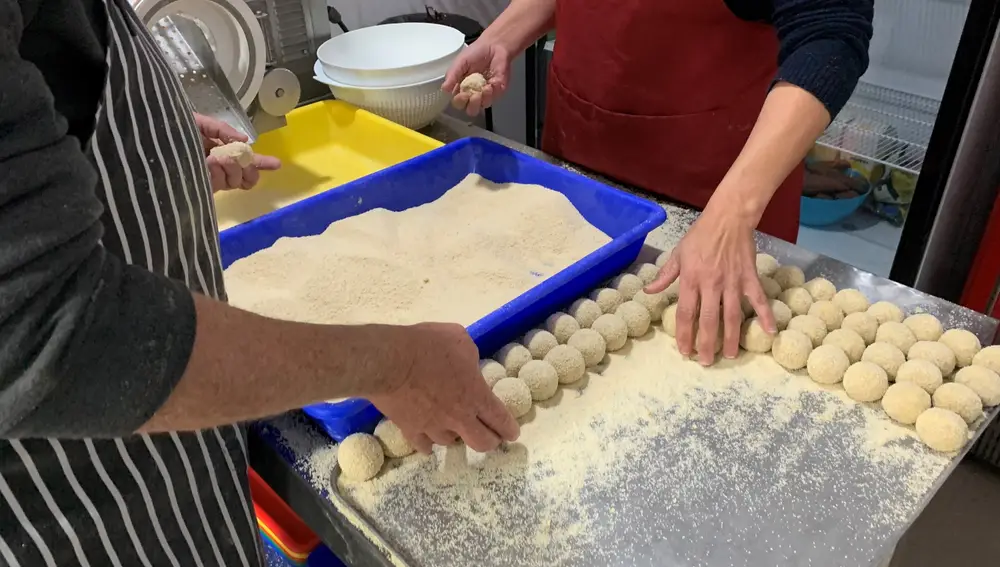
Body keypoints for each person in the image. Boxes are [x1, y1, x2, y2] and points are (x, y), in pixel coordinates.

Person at [0, 0, 517, 565]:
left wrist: (155, 144)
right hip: (86, 512)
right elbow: (43, 332)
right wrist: (396, 365)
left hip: (179, 461)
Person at [444, 0, 874, 366]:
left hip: (717, 189)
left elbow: (831, 32)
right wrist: (502, 35)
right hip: (580, 163)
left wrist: (731, 212)